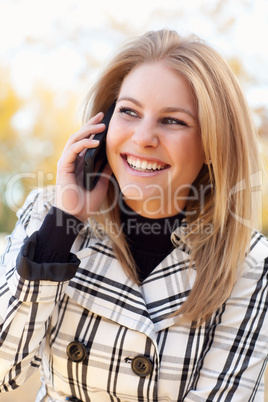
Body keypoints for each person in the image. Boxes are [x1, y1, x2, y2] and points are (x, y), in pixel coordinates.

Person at [0, 29, 267, 402]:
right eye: (128, 111)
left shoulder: (249, 263)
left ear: (213, 144)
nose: (143, 137)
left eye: (172, 121)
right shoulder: (50, 216)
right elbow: (3, 373)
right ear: (103, 124)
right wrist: (63, 228)